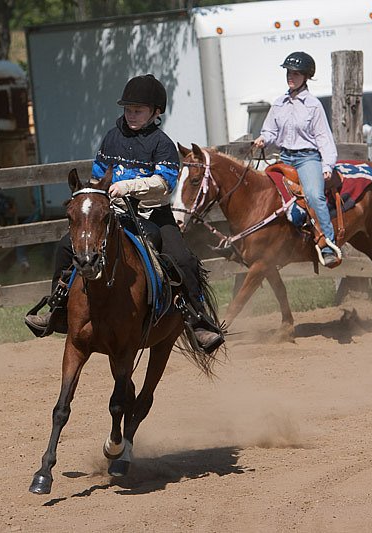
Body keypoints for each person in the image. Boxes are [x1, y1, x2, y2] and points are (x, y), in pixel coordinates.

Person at [24, 74, 224, 353]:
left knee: (183, 259)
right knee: (65, 247)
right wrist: (94, 196)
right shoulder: (112, 138)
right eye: (128, 109)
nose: (131, 115)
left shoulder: (162, 144)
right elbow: (97, 176)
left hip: (153, 214)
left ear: (156, 112)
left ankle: (197, 319)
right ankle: (56, 306)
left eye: (138, 110)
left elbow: (164, 183)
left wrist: (128, 186)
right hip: (114, 213)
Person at [253, 51, 340, 267]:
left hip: (307, 158)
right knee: (262, 194)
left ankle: (327, 244)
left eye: (296, 73)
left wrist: (327, 165)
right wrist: (264, 139)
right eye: (289, 72)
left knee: (313, 196)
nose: (291, 77)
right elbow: (270, 131)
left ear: (306, 76)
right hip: (283, 158)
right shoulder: (279, 103)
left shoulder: (313, 105)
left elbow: (323, 138)